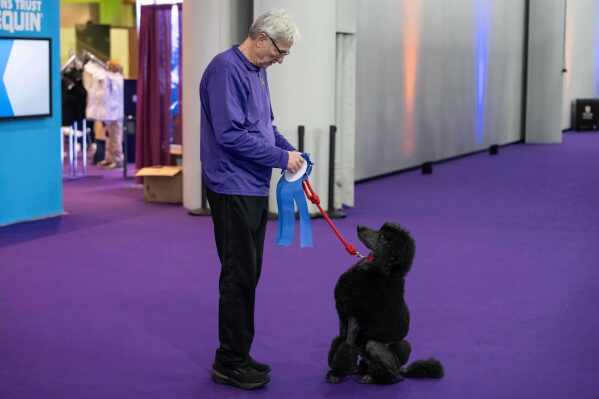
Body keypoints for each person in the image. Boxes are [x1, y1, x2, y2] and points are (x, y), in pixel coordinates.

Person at [199, 9, 304, 390]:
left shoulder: (257, 72)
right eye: (280, 51)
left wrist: (292, 153)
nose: (280, 58)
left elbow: (263, 129)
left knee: (249, 274)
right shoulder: (225, 70)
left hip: (253, 187)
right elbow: (230, 135)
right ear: (260, 38)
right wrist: (280, 159)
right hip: (231, 187)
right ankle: (228, 361)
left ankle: (239, 353)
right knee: (238, 275)